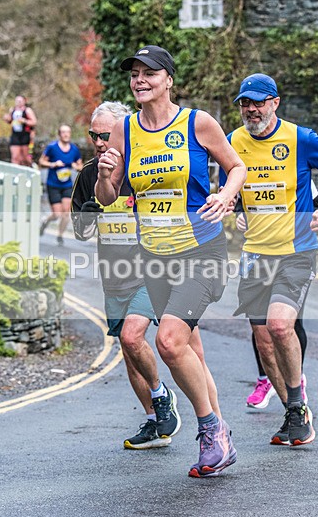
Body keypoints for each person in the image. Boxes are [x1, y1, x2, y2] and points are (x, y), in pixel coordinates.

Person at [96, 45, 247, 477]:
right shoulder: (125, 130)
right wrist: (107, 176)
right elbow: (109, 199)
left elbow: (236, 167)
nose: (140, 80)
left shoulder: (196, 122)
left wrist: (225, 194)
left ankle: (211, 430)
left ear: (168, 80)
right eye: (134, 74)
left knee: (169, 343)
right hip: (155, 257)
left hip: (201, 251)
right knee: (190, 349)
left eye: (149, 73)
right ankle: (220, 432)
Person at [223, 73, 318, 446]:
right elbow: (233, 182)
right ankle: (295, 410)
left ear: (275, 102)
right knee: (261, 338)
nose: (251, 109)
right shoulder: (232, 141)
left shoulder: (300, 138)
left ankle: (296, 405)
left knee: (278, 326)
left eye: (258, 102)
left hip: (296, 250)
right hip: (254, 252)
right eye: (245, 102)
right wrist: (235, 206)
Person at [71, 101, 179, 450]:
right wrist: (87, 217)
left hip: (151, 269)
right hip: (114, 275)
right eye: (94, 136)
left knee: (134, 337)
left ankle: (163, 396)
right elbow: (79, 232)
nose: (100, 142)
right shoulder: (89, 174)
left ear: (121, 132)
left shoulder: (143, 165)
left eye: (106, 135)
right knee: (128, 350)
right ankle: (155, 421)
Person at [240, 180, 318, 408]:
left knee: (287, 323)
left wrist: (315, 217)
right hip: (256, 253)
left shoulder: (294, 166)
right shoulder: (242, 162)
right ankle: (264, 380)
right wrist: (240, 214)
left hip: (294, 254)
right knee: (259, 327)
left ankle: (297, 379)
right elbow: (236, 200)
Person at [39, 124, 83, 245]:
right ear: (59, 134)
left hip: (67, 185)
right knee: (57, 214)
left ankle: (60, 235)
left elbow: (81, 166)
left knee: (66, 213)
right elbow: (41, 161)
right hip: (53, 184)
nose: (66, 134)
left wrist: (76, 166)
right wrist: (53, 164)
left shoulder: (74, 149)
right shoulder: (52, 147)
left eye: (68, 132)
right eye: (63, 132)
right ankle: (45, 221)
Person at [3, 95, 37, 166]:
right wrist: (7, 119)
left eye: (20, 101)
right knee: (15, 157)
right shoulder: (12, 110)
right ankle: (15, 173)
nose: (18, 103)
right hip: (15, 135)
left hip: (25, 135)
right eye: (17, 101)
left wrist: (24, 121)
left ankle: (29, 169)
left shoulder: (27, 110)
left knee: (26, 158)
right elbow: (10, 120)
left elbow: (34, 122)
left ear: (24, 101)